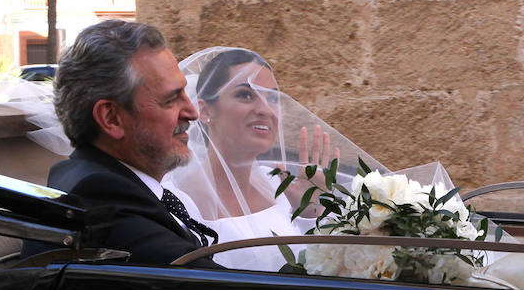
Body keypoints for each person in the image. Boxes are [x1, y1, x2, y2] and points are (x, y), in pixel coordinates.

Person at [165, 46, 368, 271]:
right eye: (245, 95)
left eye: (272, 98)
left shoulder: (279, 187)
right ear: (205, 111)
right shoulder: (179, 204)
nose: (265, 109)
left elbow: (318, 267)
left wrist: (310, 212)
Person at [43, 19, 221, 268]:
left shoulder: (95, 177)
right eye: (171, 99)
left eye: (185, 93)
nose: (192, 112)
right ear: (111, 118)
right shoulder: (100, 197)